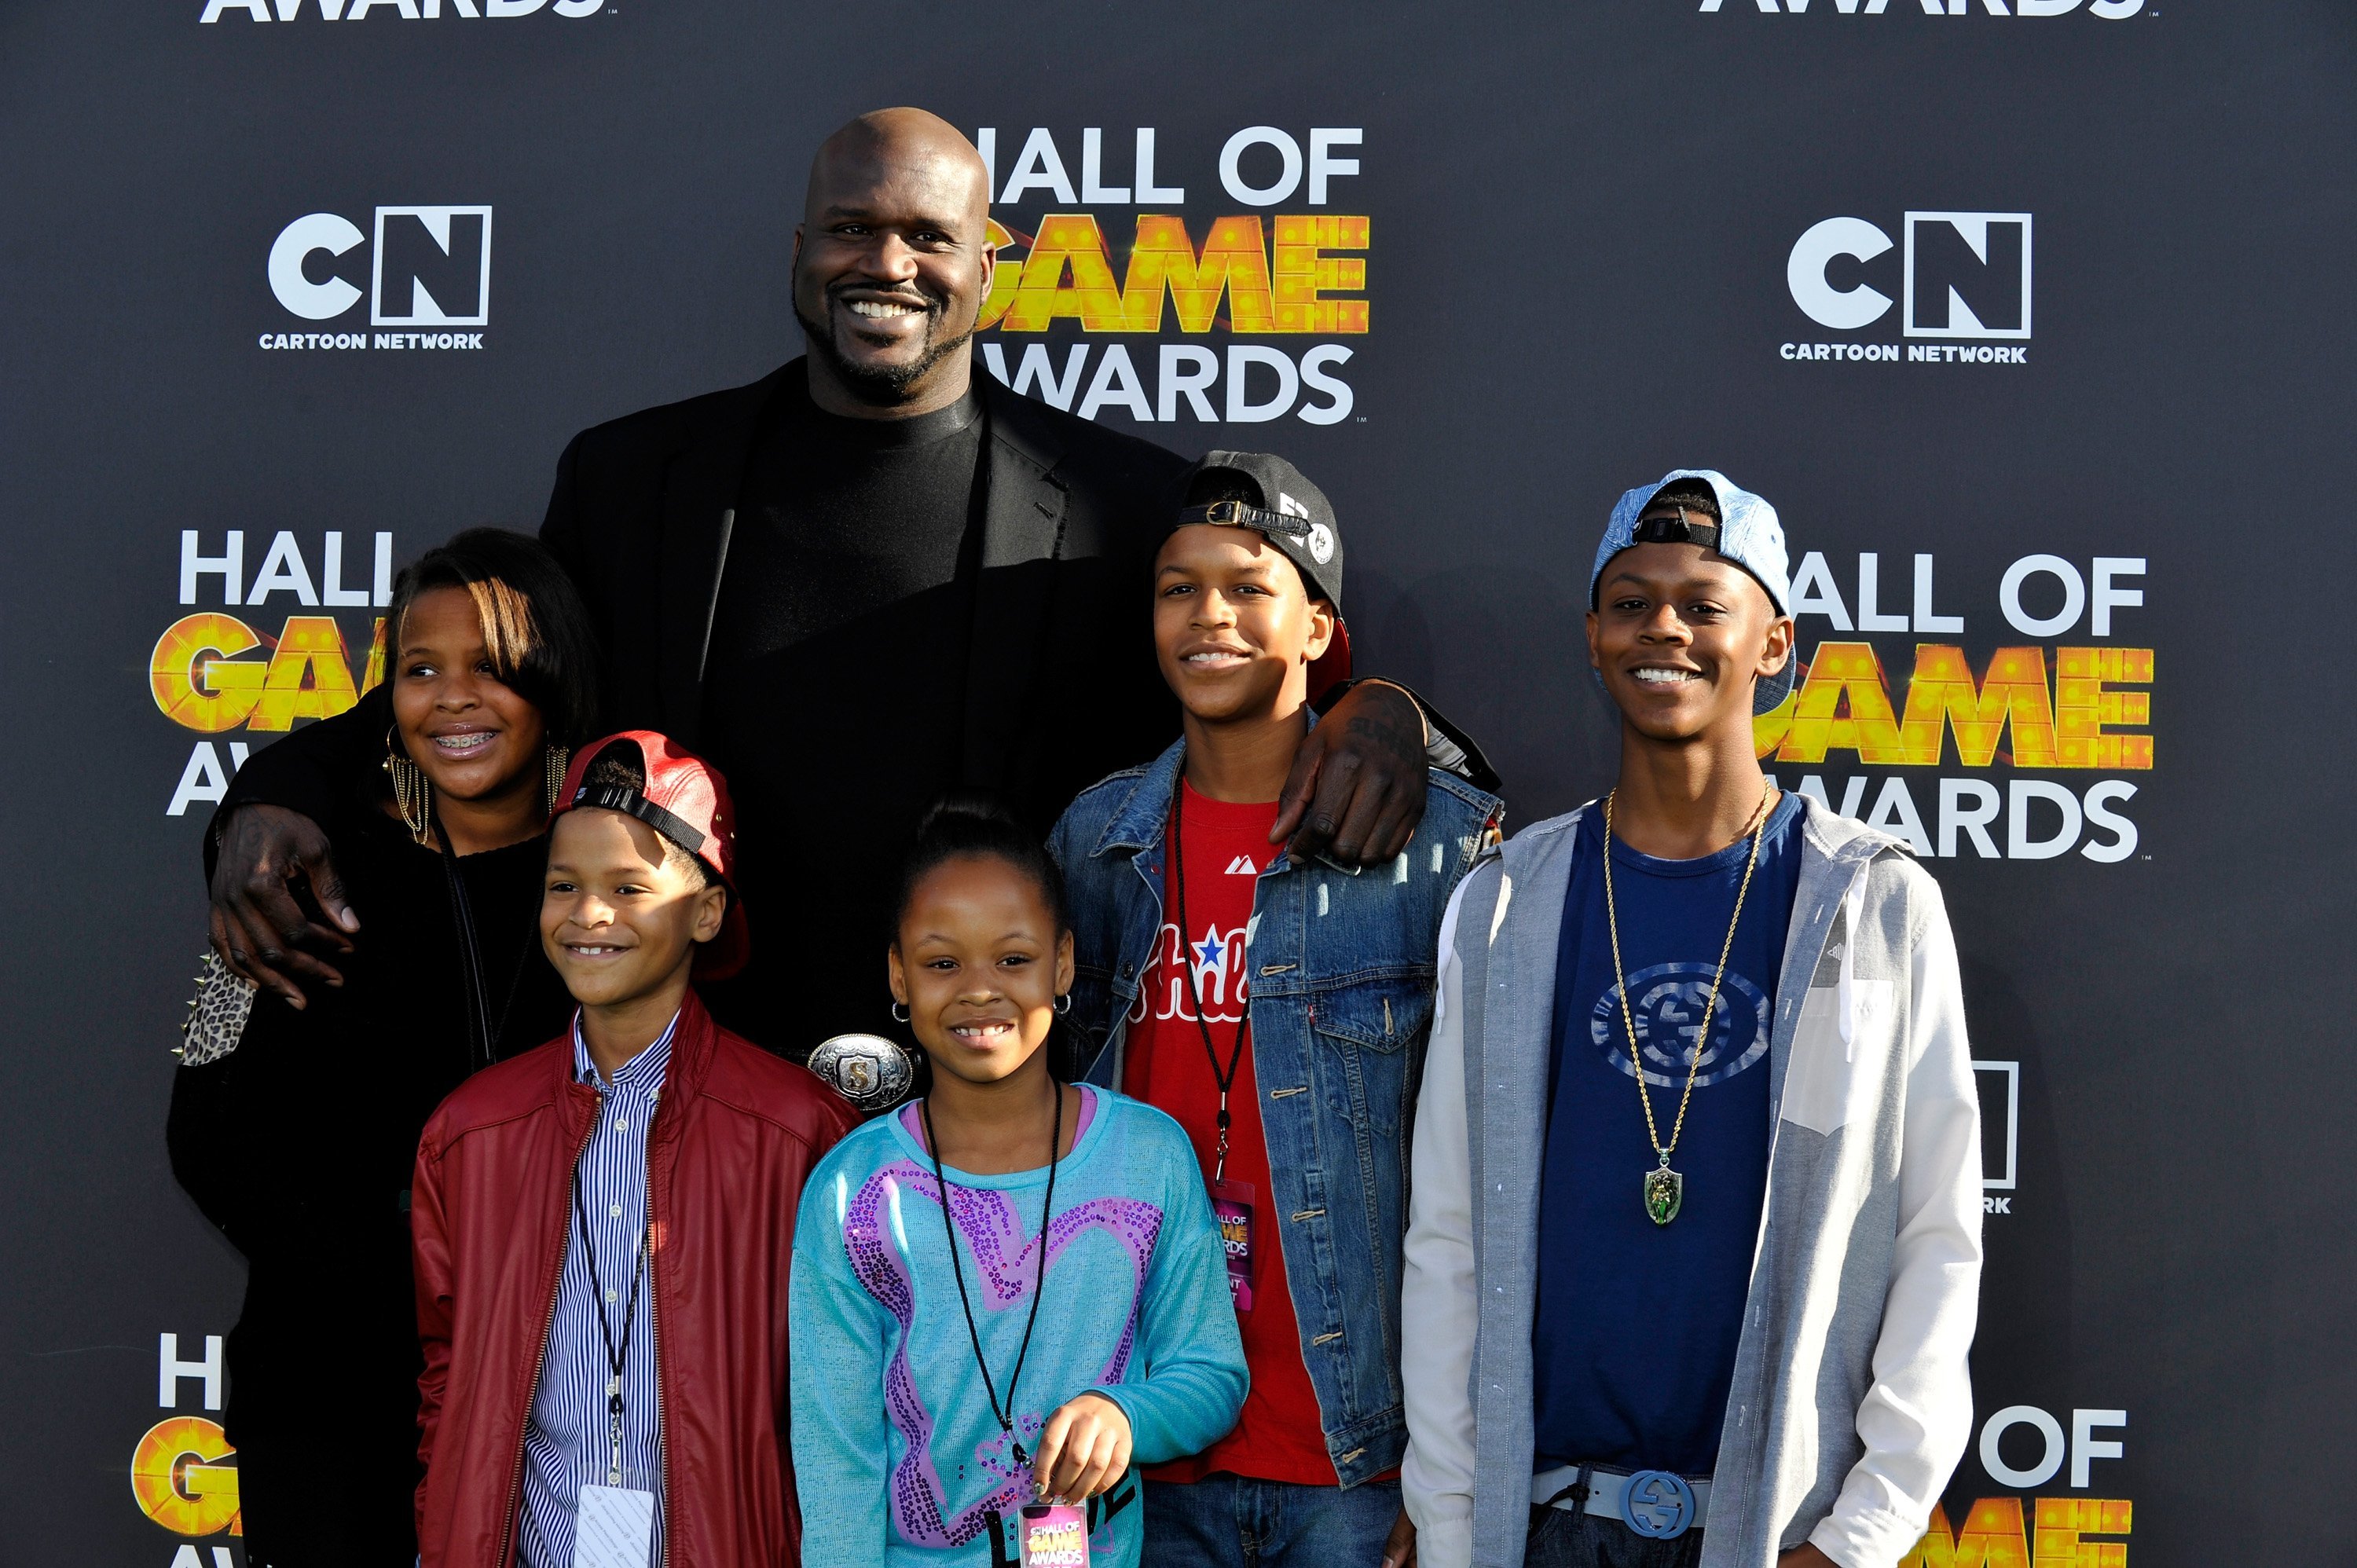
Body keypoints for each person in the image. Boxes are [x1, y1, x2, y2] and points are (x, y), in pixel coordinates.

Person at [201, 106, 1489, 1059]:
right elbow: (477, 710)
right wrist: (280, 784)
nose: (889, 263)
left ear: (991, 264)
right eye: (854, 229)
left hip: (994, 1140)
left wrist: (1387, 712)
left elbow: (1260, 717)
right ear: (799, 248)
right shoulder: (632, 480)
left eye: (929, 235)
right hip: (684, 1119)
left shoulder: (1124, 505)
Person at [1398, 472, 1982, 1568]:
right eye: (1631, 601)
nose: (1663, 626)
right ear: (1592, 636)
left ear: (1775, 645)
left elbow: (1936, 1235)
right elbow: (1448, 1237)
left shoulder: (1869, 902)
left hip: (1774, 1534)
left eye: (1705, 604)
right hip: (1541, 1531)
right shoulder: (1507, 902)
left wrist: (1863, 1536)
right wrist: (1449, 1522)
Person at [1047, 454, 1503, 1568]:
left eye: (1251, 586)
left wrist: (1451, 1468)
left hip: (1356, 1461)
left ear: (1317, 629)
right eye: (1178, 587)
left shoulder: (1438, 842)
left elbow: (1500, 1169)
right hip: (1135, 1450)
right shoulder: (1094, 844)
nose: (1210, 615)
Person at [167, 529, 597, 1568]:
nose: (454, 699)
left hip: (556, 1398)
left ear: (553, 684)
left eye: (491, 668)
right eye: (420, 670)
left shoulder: (604, 891)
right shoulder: (291, 879)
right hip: (323, 1391)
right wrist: (376, 1272)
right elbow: (199, 1118)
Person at [410, 731, 853, 1568]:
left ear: (708, 910)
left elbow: (850, 1399)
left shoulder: (801, 1131)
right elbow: (445, 1370)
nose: (589, 914)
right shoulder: (469, 1132)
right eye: (563, 886)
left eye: (628, 886)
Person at [790, 797, 1248, 1566]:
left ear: (1063, 961)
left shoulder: (1149, 1155)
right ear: (898, 975)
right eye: (943, 962)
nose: (979, 989)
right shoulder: (853, 1192)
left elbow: (1211, 1372)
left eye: (1013, 958)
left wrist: (1126, 1413)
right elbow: (840, 1462)